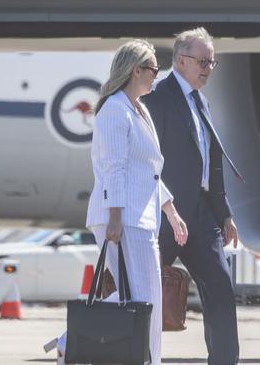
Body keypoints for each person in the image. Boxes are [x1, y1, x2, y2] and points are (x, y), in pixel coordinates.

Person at [52, 39, 188, 365]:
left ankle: (71, 340)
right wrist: (115, 216)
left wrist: (171, 211)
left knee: (145, 296)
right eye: (154, 68)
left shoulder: (139, 109)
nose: (158, 74)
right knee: (144, 297)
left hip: (139, 217)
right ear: (135, 70)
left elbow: (148, 171)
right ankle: (85, 343)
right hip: (122, 216)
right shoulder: (114, 109)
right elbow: (115, 166)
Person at [142, 27, 241, 365]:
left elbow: (211, 163)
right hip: (164, 212)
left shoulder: (202, 101)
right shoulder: (155, 98)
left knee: (222, 292)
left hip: (201, 215)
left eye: (212, 62)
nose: (208, 68)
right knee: (142, 295)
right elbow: (146, 160)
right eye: (203, 61)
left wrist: (224, 213)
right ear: (181, 61)